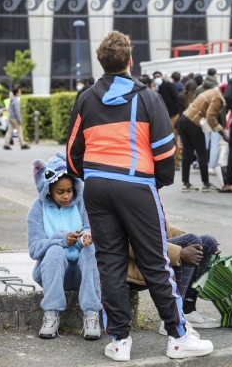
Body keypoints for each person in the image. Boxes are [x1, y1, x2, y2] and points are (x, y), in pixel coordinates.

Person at [67, 31, 213, 361]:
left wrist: (89, 175)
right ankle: (178, 336)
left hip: (97, 188)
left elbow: (73, 151)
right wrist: (156, 182)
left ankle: (119, 341)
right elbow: (164, 150)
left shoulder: (86, 99)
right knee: (155, 262)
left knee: (110, 265)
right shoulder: (147, 97)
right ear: (130, 60)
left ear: (100, 62)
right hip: (135, 184)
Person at [27, 152, 100, 340]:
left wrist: (86, 237)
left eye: (70, 190)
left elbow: (93, 229)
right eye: (60, 192)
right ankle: (51, 314)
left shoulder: (82, 204)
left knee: (90, 249)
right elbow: (34, 249)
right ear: (48, 189)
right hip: (52, 274)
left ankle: (92, 314)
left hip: (83, 275)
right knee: (55, 250)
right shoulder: (37, 209)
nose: (66, 196)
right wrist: (60, 239)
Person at [127, 223, 221, 334]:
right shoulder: (124, 206)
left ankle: (187, 310)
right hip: (131, 265)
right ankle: (172, 319)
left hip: (151, 255)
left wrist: (200, 245)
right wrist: (179, 252)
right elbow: (131, 245)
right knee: (192, 242)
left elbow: (163, 227)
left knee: (208, 242)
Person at [178, 84, 229, 193]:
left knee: (187, 153)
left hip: (184, 119)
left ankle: (186, 184)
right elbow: (211, 117)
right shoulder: (217, 98)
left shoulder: (211, 92)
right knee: (202, 153)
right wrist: (222, 133)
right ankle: (206, 184)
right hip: (193, 122)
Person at [154, 71, 181, 170]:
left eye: (158, 76)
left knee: (173, 138)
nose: (156, 78)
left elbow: (176, 97)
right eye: (155, 77)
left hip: (174, 115)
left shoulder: (168, 85)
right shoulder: (158, 88)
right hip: (166, 116)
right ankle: (173, 161)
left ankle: (176, 162)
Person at [3, 86, 30, 150]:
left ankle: (6, 144)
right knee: (20, 131)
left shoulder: (11, 100)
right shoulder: (16, 101)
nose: (20, 93)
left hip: (10, 117)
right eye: (20, 92)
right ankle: (23, 144)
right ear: (17, 93)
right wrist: (20, 120)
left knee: (9, 131)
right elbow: (17, 112)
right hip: (14, 118)